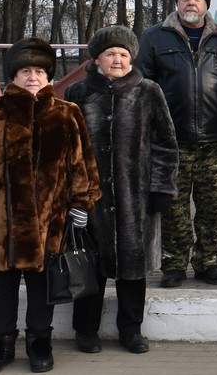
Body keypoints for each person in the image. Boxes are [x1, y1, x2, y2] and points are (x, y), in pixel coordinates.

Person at [0, 38, 100, 375]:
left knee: (41, 283)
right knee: (2, 284)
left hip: (50, 218)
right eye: (26, 70)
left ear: (49, 76)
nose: (33, 76)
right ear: (13, 75)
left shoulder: (66, 113)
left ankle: (39, 342)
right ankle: (1, 344)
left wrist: (82, 203)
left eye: (40, 71)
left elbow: (82, 164)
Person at [66, 26, 178, 355]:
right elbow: (66, 148)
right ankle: (85, 330)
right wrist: (72, 192)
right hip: (90, 198)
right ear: (97, 59)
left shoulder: (148, 91)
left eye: (123, 54)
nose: (117, 59)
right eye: (111, 54)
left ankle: (131, 330)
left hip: (136, 198)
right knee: (89, 266)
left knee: (133, 268)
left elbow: (165, 145)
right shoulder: (78, 93)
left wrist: (161, 189)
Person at [138, 0, 217, 287]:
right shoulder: (155, 39)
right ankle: (174, 264)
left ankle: (208, 262)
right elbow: (143, 88)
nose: (190, 3)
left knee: (212, 207)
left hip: (213, 139)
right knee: (174, 207)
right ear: (177, 4)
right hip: (170, 141)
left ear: (206, 4)